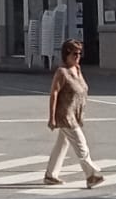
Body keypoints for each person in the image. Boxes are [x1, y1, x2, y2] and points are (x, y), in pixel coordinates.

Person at [44, 40, 105, 187]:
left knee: (62, 144)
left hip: (75, 115)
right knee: (81, 144)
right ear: (66, 54)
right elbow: (54, 94)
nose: (78, 56)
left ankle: (50, 175)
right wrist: (52, 118)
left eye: (79, 53)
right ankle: (91, 175)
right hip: (65, 116)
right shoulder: (62, 72)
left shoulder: (77, 69)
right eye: (74, 53)